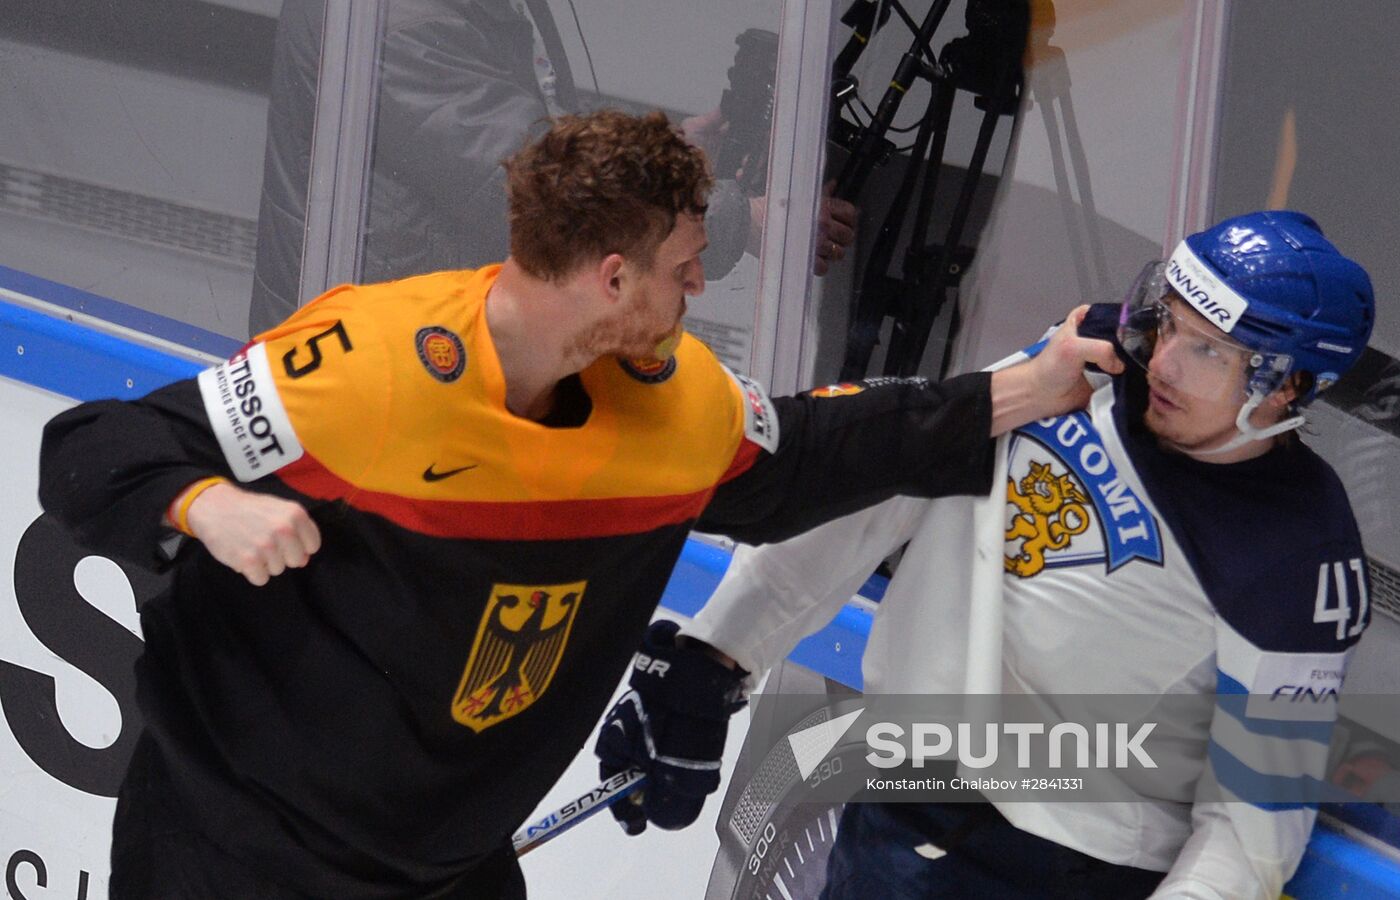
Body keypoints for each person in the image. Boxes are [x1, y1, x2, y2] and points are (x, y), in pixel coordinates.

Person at [40, 109, 1117, 899]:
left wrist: (1021, 387)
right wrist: (202, 506)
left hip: (450, 866)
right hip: (234, 857)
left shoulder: (673, 399)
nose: (700, 291)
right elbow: (97, 444)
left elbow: (813, 458)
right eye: (686, 268)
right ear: (612, 278)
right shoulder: (366, 365)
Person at [600, 210, 1376, 899]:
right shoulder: (1079, 364)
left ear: (1288, 387)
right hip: (893, 806)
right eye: (1168, 323)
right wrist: (723, 650)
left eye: (1208, 352)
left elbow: (1254, 822)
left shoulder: (1299, 554)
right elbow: (885, 487)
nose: (1163, 362)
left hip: (1062, 871)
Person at [249, 0, 856, 335]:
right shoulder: (396, 22)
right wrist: (739, 220)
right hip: (368, 365)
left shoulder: (472, 9)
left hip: (426, 346)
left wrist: (677, 147)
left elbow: (544, 130)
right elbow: (544, 186)